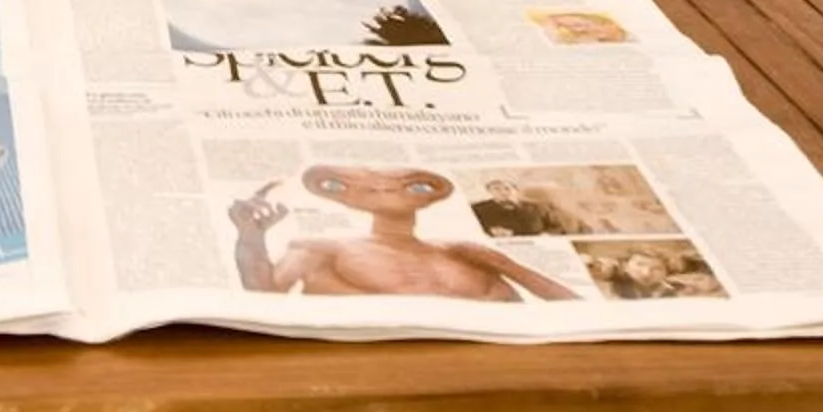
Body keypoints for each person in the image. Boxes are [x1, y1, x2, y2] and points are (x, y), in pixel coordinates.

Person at [231, 166, 576, 300]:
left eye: (399, 183)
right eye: (371, 186)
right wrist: (250, 237)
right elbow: (265, 296)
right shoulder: (320, 247)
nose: (383, 188)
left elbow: (560, 299)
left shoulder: (467, 251)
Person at [469, 177, 578, 239]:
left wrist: (547, 235)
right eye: (496, 189)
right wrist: (487, 233)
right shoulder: (477, 209)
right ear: (490, 192)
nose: (503, 192)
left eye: (507, 188)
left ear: (516, 191)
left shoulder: (539, 207)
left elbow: (558, 228)